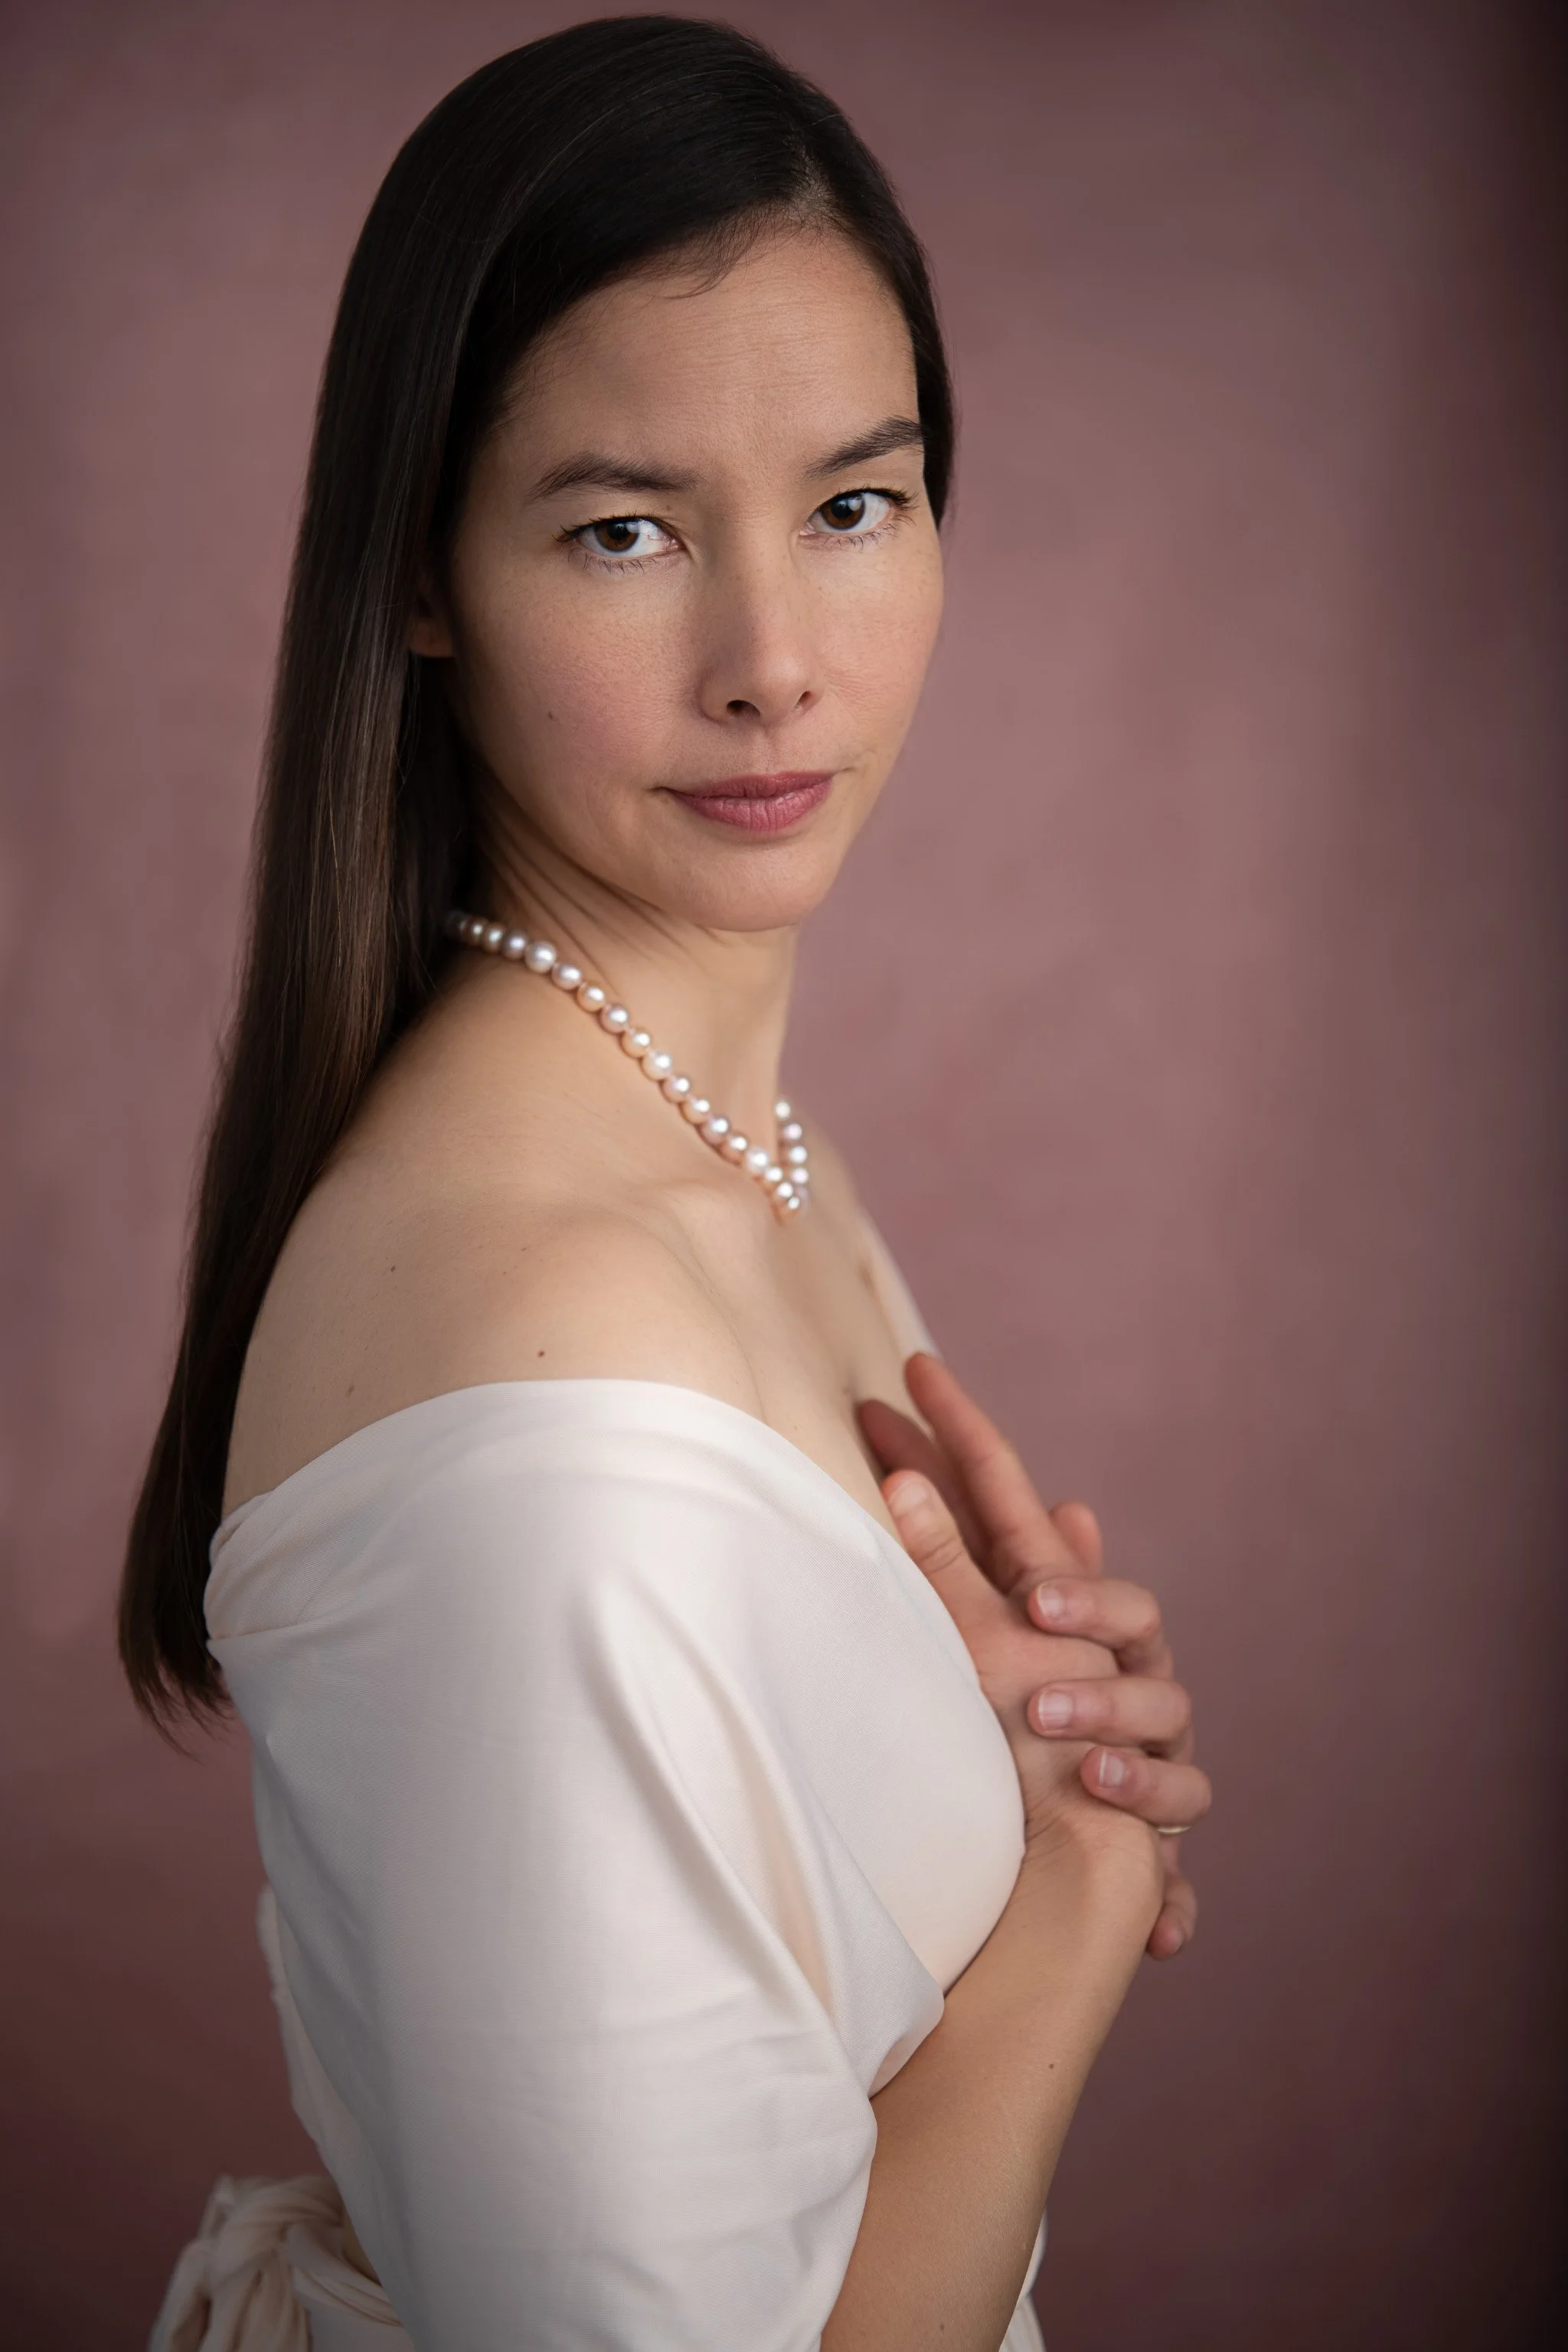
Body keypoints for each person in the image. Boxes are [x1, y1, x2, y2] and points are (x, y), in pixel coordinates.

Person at [123, 19, 1211, 2350]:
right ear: (426, 575)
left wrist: (994, 1744)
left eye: (854, 505)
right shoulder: (555, 1359)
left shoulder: (740, 1152)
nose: (775, 664)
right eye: (624, 530)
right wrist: (1075, 1899)